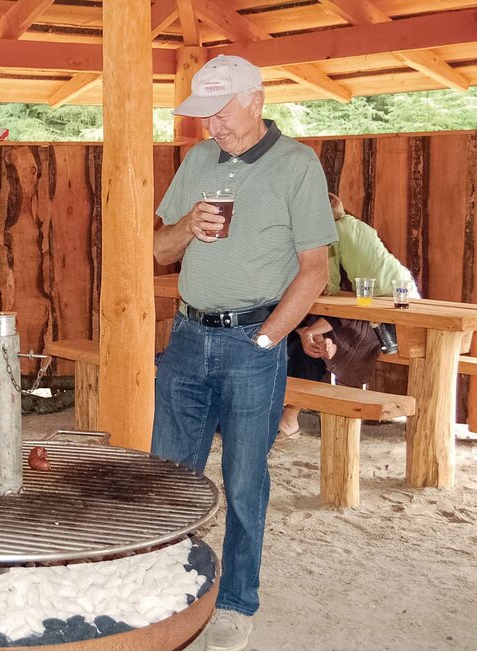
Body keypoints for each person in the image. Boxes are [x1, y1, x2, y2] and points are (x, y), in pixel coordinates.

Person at [152, 55, 336, 651]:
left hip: (251, 343)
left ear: (256, 100)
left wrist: (267, 338)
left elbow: (315, 269)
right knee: (169, 477)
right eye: (205, 114)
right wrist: (187, 226)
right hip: (187, 338)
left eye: (222, 111)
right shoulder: (197, 160)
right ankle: (169, 593)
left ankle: (235, 603)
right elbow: (159, 249)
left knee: (243, 481)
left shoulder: (297, 165)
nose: (213, 126)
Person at [278, 193, 419, 438]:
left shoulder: (332, 233)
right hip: (403, 287)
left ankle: (317, 347)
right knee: (333, 328)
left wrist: (323, 289)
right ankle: (316, 342)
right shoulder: (358, 226)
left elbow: (328, 277)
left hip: (382, 298)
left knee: (337, 326)